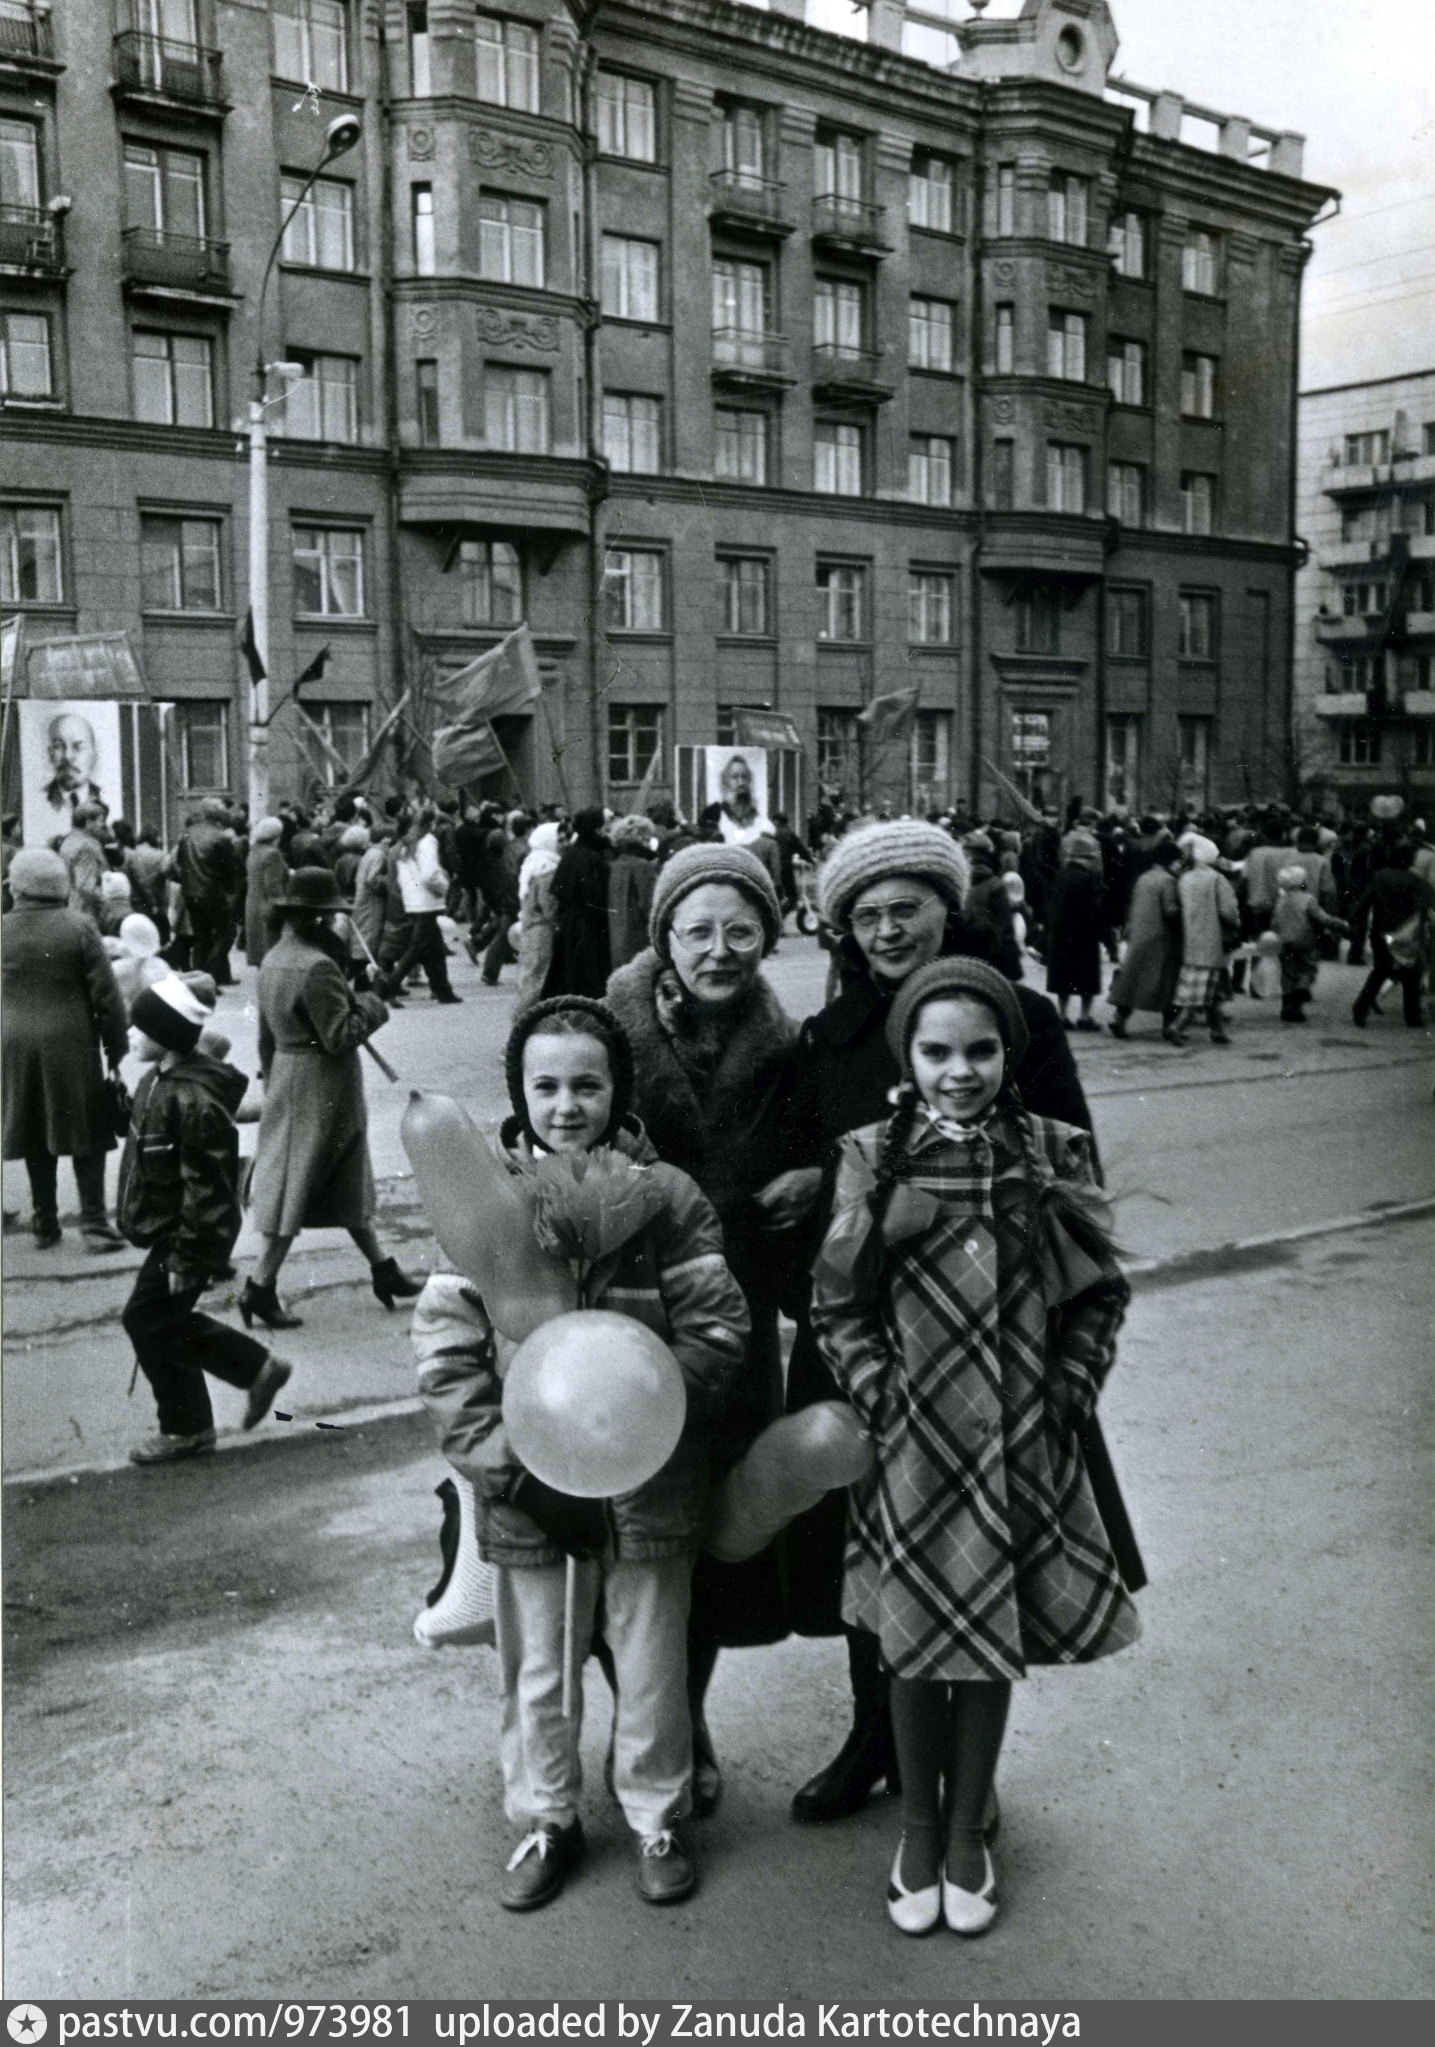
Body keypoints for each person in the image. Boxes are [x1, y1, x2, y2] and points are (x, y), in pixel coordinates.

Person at [773, 819, 1117, 1827]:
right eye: (865, 917)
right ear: (844, 931)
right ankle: (872, 1732)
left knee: (982, 1544)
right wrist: (818, 1190)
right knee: (868, 1536)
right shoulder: (828, 1037)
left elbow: (1073, 1173)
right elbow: (805, 1169)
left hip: (991, 1339)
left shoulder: (1017, 1019)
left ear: (945, 909)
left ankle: (968, 1770)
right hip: (866, 1340)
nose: (886, 930)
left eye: (906, 909)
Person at [811, 957, 1139, 1936]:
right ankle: (918, 1825)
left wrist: (1067, 1389)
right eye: (937, 1051)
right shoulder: (871, 1156)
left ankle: (966, 1827)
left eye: (981, 1050)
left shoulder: (1054, 1152)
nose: (960, 1071)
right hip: (912, 1445)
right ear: (907, 1058)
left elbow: (1097, 1296)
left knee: (990, 1632)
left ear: (1008, 1053)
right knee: (914, 1638)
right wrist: (881, 1394)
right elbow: (837, 1304)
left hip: (1018, 1439)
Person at [413, 997, 750, 1910]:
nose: (567, 1105)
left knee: (651, 1663)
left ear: (618, 1090)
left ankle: (655, 1813)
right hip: (528, 1492)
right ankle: (544, 1816)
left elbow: (717, 1327)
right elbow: (447, 1357)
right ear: (519, 1092)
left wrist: (643, 1424)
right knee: (538, 1667)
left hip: (652, 1483)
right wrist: (513, 1469)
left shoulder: (667, 1197)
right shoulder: (487, 1200)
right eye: (546, 1085)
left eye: (587, 1085)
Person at [605, 842, 802, 1814]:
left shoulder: (784, 1041)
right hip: (624, 1319)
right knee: (626, 1534)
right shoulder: (608, 1026)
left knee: (714, 1537)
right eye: (699, 931)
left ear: (766, 936)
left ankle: (686, 1716)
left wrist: (811, 1181)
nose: (719, 950)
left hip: (737, 1322)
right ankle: (647, 1720)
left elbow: (816, 1146)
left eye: (740, 930)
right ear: (665, 937)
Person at [117, 975, 292, 1464]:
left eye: (140, 1027)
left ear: (167, 1036)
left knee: (146, 1319)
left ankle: (191, 1426)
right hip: (172, 1230)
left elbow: (208, 1187)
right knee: (161, 1320)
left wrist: (189, 1257)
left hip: (184, 1237)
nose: (130, 1034)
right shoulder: (160, 1079)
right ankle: (252, 1373)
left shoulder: (191, 1098)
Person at [244, 868, 422, 1327]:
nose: (334, 923)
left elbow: (266, 1035)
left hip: (290, 1073)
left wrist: (273, 1082)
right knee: (301, 1181)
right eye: (328, 916)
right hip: (322, 1082)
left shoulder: (274, 958)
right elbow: (340, 1036)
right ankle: (259, 1286)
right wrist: (374, 999)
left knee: (344, 1174)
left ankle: (383, 1269)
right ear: (317, 917)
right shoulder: (317, 966)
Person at [3, 848, 130, 1250]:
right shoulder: (80, 926)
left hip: (13, 1044)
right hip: (71, 1043)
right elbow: (108, 997)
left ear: (17, 886)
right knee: (86, 1127)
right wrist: (116, 1048)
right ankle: (94, 1223)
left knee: (35, 1128)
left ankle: (44, 1221)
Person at [377, 803, 460, 1005]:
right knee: (416, 947)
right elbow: (430, 873)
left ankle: (443, 989)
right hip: (427, 902)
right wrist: (443, 886)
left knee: (434, 947)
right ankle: (389, 986)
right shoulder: (427, 841)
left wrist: (411, 894)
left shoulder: (406, 843)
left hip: (413, 901)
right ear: (431, 823)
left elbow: (405, 876)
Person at [1351, 839, 1432, 1029]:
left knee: (1381, 970)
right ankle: (1412, 1017)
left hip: (1380, 929)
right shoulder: (1415, 880)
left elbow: (1365, 901)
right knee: (1411, 974)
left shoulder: (1380, 876)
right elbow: (1425, 904)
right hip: (1405, 933)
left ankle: (1361, 1007)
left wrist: (1353, 918)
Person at [1169, 835, 1240, 1046]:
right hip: (1213, 940)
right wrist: (1236, 922)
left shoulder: (1184, 879)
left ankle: (1217, 1030)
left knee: (1207, 988)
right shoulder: (1217, 879)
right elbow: (1228, 912)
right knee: (1202, 990)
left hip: (1191, 941)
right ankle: (1178, 1026)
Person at [1107, 840, 1182, 1038]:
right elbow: (1170, 911)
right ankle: (1169, 1026)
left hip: (1139, 936)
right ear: (1169, 860)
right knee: (1168, 983)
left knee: (1131, 981)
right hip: (1160, 938)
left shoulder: (1143, 878)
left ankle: (1119, 1019)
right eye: (1177, 861)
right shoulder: (1168, 881)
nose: (1179, 865)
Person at [1044, 831, 1110, 1030]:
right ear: (1085, 859)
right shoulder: (1086, 879)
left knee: (1063, 977)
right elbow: (1093, 911)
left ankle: (1062, 1014)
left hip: (1060, 935)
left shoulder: (1059, 876)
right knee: (1087, 978)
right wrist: (1107, 938)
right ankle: (1084, 1016)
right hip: (1083, 936)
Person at [173, 798, 243, 985]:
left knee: (202, 937)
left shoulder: (187, 834)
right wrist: (230, 892)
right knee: (227, 933)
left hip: (191, 892)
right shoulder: (220, 837)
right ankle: (209, 974)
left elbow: (179, 863)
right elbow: (230, 868)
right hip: (213, 892)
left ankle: (206, 978)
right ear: (218, 814)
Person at [545, 807, 611, 999]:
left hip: (570, 926)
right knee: (589, 984)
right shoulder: (591, 856)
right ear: (597, 829)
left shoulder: (573, 854)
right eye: (606, 828)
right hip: (588, 929)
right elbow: (594, 897)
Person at [1272, 865, 1349, 1024]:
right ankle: (1299, 996)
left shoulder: (1281, 899)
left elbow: (1275, 922)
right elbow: (1323, 919)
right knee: (1307, 968)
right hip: (1305, 941)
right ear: (1301, 881)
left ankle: (1286, 1008)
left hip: (1284, 941)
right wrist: (1341, 924)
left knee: (1288, 973)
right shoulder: (1308, 899)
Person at [607, 814, 657, 970]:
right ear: (639, 840)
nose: (650, 845)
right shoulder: (643, 866)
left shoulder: (614, 865)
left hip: (616, 939)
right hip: (639, 939)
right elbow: (650, 905)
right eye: (648, 840)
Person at [42, 710, 107, 827]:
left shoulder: (105, 797)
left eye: (78, 747)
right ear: (50, 754)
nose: (68, 756)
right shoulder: (38, 800)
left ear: (94, 755)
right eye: (59, 746)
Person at [244, 817, 289, 968]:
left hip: (253, 904)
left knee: (260, 953)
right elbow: (273, 887)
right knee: (271, 950)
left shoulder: (254, 850)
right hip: (269, 907)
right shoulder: (273, 854)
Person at [59, 803, 109, 925]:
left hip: (71, 907)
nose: (102, 825)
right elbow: (85, 885)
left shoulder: (68, 842)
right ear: (88, 822)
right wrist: (110, 899)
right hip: (88, 911)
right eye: (100, 820)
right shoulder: (88, 845)